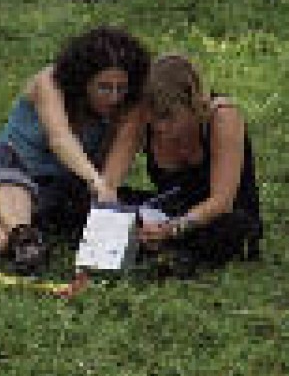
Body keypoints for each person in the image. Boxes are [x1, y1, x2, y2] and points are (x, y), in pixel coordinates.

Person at [0, 25, 151, 274]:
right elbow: (60, 139)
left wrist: (103, 191)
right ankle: (24, 240)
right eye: (104, 87)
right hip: (4, 178)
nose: (114, 97)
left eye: (121, 88)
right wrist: (94, 180)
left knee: (68, 197)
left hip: (61, 190)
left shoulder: (132, 106)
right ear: (82, 81)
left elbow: (111, 178)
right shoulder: (49, 82)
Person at [101, 52, 262, 273]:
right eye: (153, 117)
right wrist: (113, 211)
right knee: (85, 194)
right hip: (169, 210)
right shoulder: (143, 116)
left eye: (168, 116)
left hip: (215, 217)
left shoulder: (222, 117)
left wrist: (173, 229)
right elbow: (108, 184)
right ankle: (149, 246)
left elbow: (222, 201)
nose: (159, 127)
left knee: (232, 227)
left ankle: (164, 251)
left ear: (192, 103)